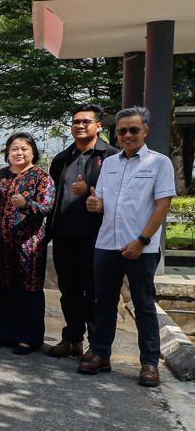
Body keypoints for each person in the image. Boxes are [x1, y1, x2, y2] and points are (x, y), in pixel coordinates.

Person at [80, 107, 174, 387]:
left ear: (145, 131)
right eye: (122, 131)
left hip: (141, 247)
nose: (128, 135)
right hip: (107, 243)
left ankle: (149, 363)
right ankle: (100, 354)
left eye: (134, 130)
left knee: (144, 305)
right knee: (104, 302)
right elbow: (102, 202)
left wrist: (142, 240)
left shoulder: (159, 163)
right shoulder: (110, 163)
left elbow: (162, 206)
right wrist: (95, 204)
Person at [46, 103, 116, 358]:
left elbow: (122, 195)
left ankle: (96, 346)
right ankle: (73, 338)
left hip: (97, 237)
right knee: (69, 291)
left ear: (98, 125)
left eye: (86, 122)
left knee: (96, 293)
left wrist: (89, 190)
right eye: (76, 122)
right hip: (64, 234)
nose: (80, 126)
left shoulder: (111, 157)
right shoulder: (62, 158)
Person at [0, 133, 55, 354]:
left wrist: (26, 203)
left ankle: (30, 338)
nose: (19, 153)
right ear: (7, 153)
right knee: (1, 288)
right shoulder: (0, 176)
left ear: (33, 152)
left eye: (24, 149)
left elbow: (46, 206)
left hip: (29, 245)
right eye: (14, 149)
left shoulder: (41, 176)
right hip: (0, 243)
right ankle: (4, 334)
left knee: (28, 290)